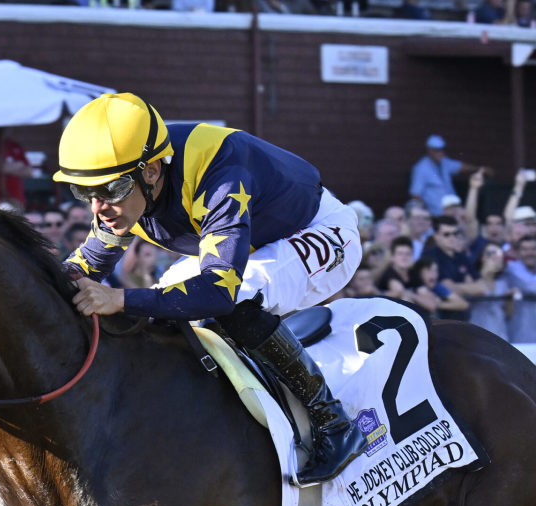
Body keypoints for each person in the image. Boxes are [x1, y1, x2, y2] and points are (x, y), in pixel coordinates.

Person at [53, 92, 365, 485]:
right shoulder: (124, 186)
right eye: (85, 193)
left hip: (319, 231)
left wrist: (120, 299)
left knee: (236, 299)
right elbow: (84, 268)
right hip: (246, 244)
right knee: (161, 307)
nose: (98, 208)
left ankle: (333, 423)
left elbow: (219, 292)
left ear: (151, 171)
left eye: (110, 191)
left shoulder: (219, 171)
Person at [408, 135, 482, 216]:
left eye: (441, 149)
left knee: (468, 217)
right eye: (436, 150)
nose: (440, 153)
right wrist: (426, 212)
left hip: (454, 208)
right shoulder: (421, 168)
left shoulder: (445, 162)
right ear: (429, 150)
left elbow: (460, 166)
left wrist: (479, 168)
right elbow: (415, 194)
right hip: (437, 213)